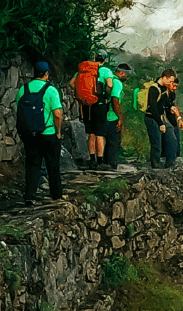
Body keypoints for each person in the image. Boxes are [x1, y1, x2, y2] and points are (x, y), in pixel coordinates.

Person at [18, 62, 66, 204]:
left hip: (29, 134)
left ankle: (29, 196)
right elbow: (57, 114)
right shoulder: (51, 90)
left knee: (32, 164)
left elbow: (18, 110)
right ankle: (56, 195)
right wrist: (58, 132)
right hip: (48, 133)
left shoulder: (23, 89)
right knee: (53, 165)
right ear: (46, 74)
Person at [73, 53, 113, 168]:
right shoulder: (106, 71)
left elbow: (72, 83)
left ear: (95, 59)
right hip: (99, 104)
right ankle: (100, 161)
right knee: (99, 133)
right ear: (105, 60)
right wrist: (106, 96)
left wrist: (80, 97)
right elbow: (109, 85)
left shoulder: (84, 69)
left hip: (86, 105)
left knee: (90, 132)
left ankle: (92, 159)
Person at [144, 68, 183, 168]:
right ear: (164, 78)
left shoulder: (164, 89)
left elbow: (166, 104)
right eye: (170, 81)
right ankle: (156, 166)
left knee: (172, 138)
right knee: (156, 144)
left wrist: (176, 115)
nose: (171, 84)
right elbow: (153, 107)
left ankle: (170, 163)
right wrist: (160, 123)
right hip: (152, 118)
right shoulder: (154, 89)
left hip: (161, 118)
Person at [101, 62, 132, 169]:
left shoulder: (109, 79)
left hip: (103, 114)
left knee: (107, 141)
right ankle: (111, 164)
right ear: (122, 73)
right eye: (127, 75)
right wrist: (119, 118)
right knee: (114, 142)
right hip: (111, 116)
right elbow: (115, 100)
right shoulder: (117, 83)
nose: (127, 78)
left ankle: (105, 162)